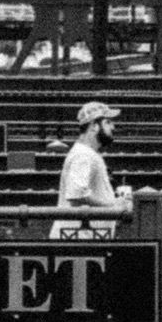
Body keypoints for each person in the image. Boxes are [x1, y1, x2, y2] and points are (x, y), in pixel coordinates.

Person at [52, 100, 131, 240]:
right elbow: (76, 195)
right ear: (94, 126)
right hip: (78, 243)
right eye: (108, 122)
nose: (113, 127)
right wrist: (113, 205)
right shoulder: (83, 155)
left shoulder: (88, 153)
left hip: (83, 240)